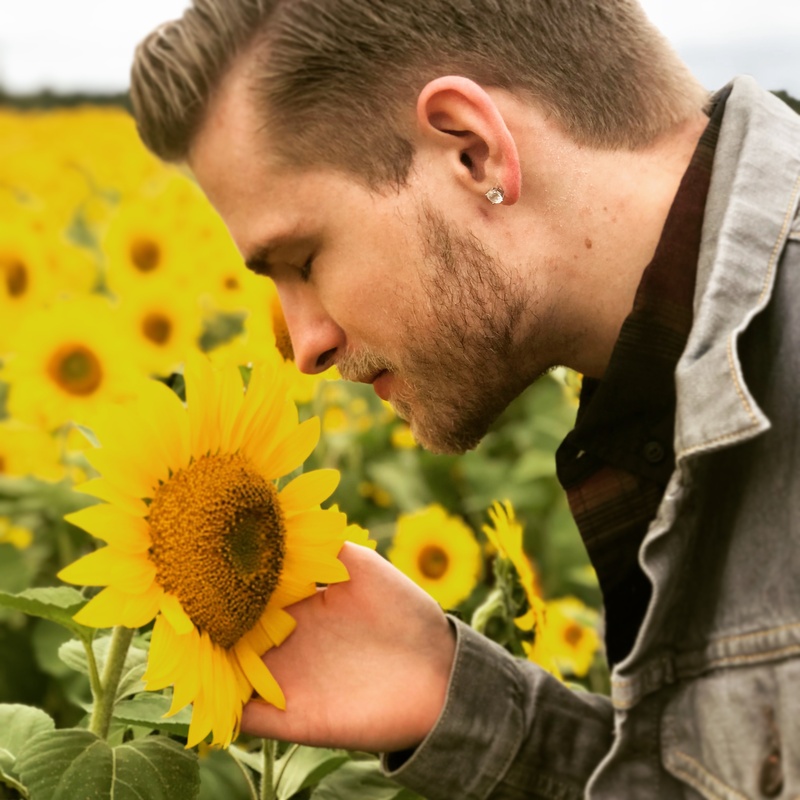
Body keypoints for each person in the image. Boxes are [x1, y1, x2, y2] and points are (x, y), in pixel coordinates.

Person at [129, 0, 800, 797]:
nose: (304, 343)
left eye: (302, 261)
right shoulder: (660, 379)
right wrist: (456, 698)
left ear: (472, 150)